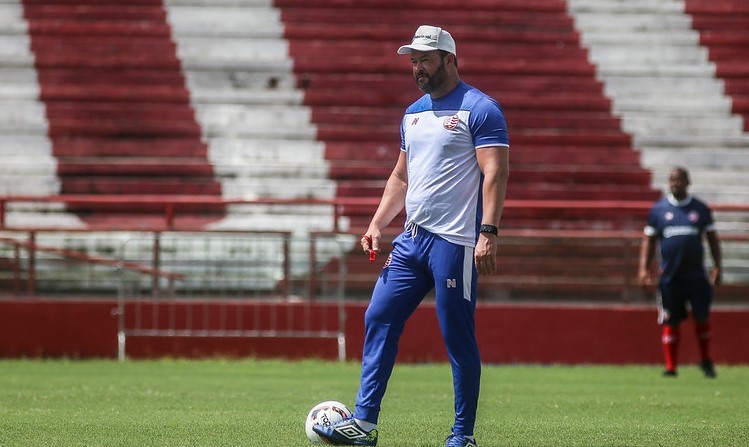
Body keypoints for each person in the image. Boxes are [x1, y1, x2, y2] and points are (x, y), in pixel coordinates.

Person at [313, 25, 509, 447]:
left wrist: (488, 231)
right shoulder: (413, 112)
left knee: (457, 335)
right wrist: (375, 223)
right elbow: (401, 177)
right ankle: (364, 425)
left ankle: (463, 435)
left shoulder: (481, 109)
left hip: (455, 242)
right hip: (412, 240)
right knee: (378, 316)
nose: (417, 67)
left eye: (425, 58)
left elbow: (496, 171)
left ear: (449, 59)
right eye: (413, 60)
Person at [638, 167, 722, 378]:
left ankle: (705, 360)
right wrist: (643, 269)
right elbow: (649, 240)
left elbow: (712, 238)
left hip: (696, 276)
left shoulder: (700, 209)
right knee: (670, 320)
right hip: (670, 277)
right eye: (672, 179)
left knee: (702, 317)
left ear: (688, 182)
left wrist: (717, 265)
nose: (675, 183)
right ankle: (671, 367)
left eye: (679, 179)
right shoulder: (659, 210)